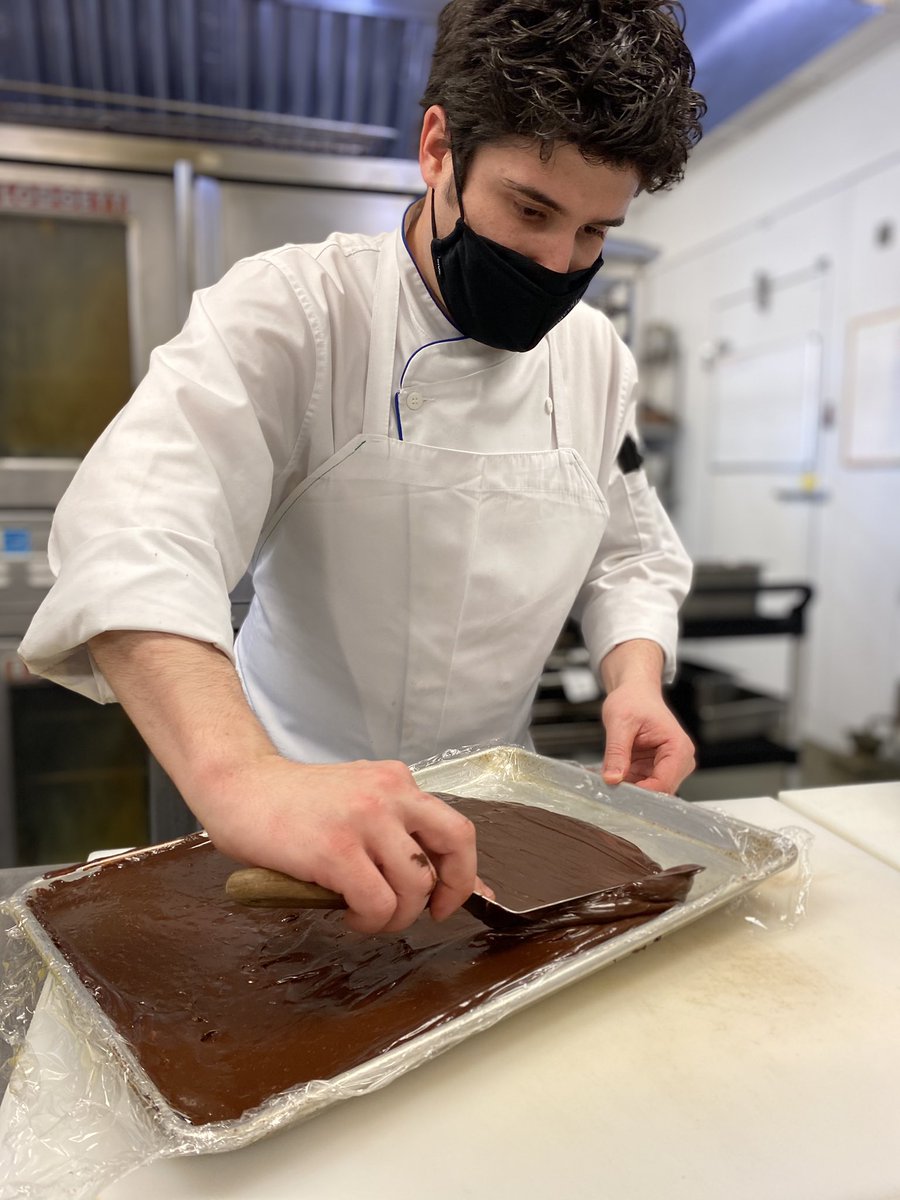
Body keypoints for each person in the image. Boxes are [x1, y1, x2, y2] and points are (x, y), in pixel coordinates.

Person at [20, 0, 706, 935]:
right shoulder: (296, 312)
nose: (557, 263)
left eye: (594, 234)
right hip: (292, 820)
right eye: (531, 208)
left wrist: (635, 680)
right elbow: (137, 533)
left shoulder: (596, 359)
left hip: (495, 825)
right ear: (438, 148)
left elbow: (629, 553)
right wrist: (247, 781)